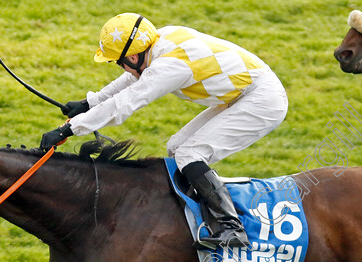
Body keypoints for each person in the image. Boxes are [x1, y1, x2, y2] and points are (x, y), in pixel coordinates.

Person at [39, 13, 289, 249]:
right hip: (245, 93)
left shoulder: (171, 66)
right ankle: (192, 217)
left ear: (133, 57)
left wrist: (68, 130)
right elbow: (132, 80)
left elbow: (124, 105)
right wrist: (89, 103)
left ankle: (231, 228)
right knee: (176, 149)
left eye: (119, 62)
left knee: (190, 155)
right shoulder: (159, 40)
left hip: (262, 100)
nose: (121, 68)